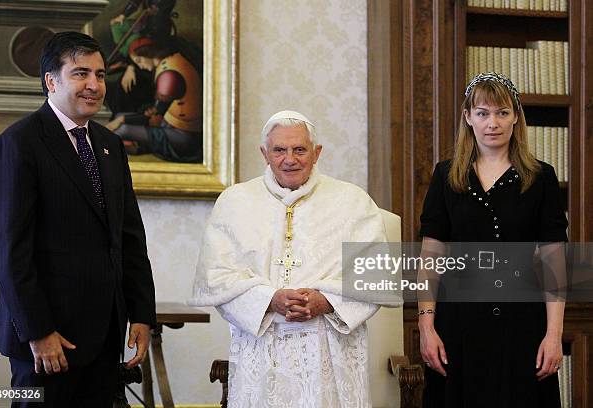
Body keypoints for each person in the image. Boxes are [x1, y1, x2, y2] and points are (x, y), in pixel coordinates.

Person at [0, 31, 156, 407]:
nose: (94, 85)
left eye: (99, 74)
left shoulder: (109, 145)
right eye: (81, 74)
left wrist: (142, 314)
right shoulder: (20, 143)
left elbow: (129, 238)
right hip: (48, 342)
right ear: (51, 80)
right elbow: (8, 249)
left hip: (105, 335)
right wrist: (38, 330)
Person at [189, 110, 394, 407]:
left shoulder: (352, 201)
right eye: (279, 150)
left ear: (316, 152)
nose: (290, 159)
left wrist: (324, 301)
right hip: (261, 349)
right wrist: (271, 299)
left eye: (299, 149)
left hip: (329, 347)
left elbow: (376, 276)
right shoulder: (235, 202)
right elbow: (217, 278)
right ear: (265, 153)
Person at [417, 72, 567, 407]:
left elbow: (553, 260)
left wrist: (553, 335)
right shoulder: (445, 175)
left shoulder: (541, 177)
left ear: (516, 117)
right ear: (468, 117)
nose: (492, 123)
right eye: (482, 113)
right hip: (457, 325)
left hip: (523, 325)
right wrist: (426, 326)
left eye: (502, 112)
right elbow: (431, 256)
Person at [105, 36, 202, 163]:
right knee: (118, 117)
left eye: (139, 60)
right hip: (169, 125)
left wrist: (121, 120)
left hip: (183, 136)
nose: (140, 66)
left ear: (149, 53)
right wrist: (120, 118)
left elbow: (153, 117)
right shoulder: (172, 61)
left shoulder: (168, 75)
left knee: (121, 129)